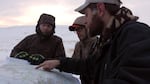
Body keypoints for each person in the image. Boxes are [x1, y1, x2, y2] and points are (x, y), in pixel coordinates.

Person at [36, 0, 150, 84]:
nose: (85, 21)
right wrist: (59, 63)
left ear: (100, 9)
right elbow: (89, 65)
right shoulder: (108, 41)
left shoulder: (135, 33)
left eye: (86, 15)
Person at [69, 16, 98, 84]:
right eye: (76, 30)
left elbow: (93, 68)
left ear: (88, 28)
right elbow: (73, 65)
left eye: (80, 29)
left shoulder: (98, 44)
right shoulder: (78, 45)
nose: (78, 33)